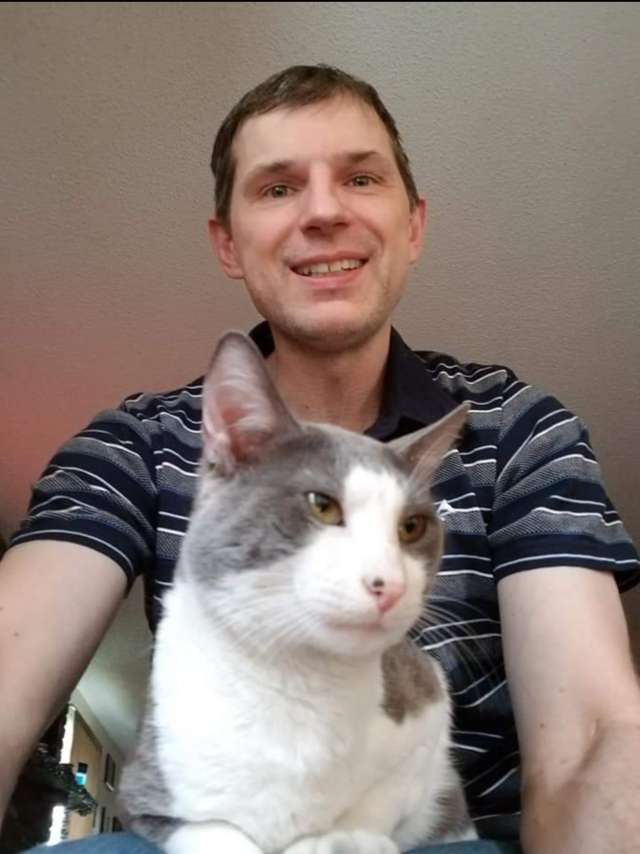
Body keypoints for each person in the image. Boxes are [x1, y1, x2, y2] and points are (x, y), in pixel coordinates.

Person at [1, 64, 639, 854]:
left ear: (413, 225)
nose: (325, 211)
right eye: (278, 188)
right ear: (228, 244)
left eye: (361, 178)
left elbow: (591, 735)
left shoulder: (516, 427)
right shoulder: (138, 442)